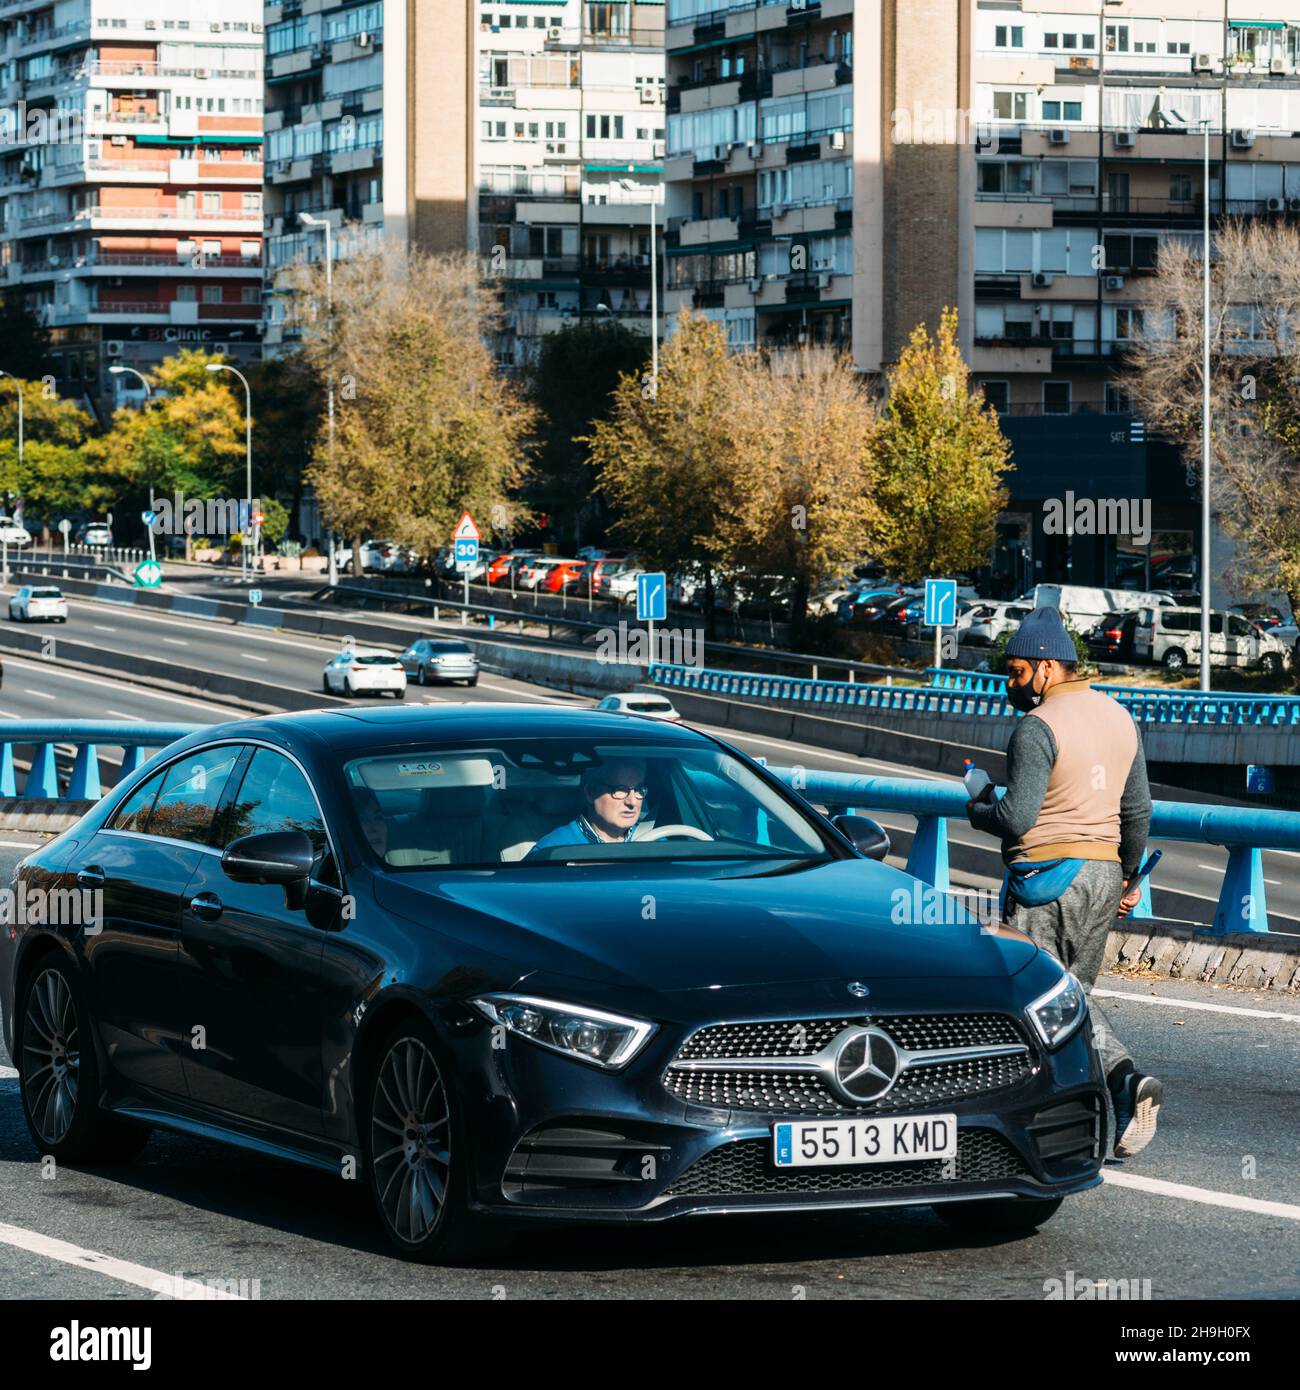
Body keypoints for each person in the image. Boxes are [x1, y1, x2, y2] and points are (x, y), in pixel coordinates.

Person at [965, 606, 1161, 1159]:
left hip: (1047, 876)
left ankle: (1116, 1081)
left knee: (1035, 997)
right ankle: (1104, 1109)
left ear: (1048, 667)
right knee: (1073, 997)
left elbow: (1016, 818)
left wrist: (980, 806)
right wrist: (1127, 876)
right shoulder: (1121, 718)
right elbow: (1139, 810)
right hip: (1101, 874)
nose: (1011, 683)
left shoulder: (1036, 727)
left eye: (1018, 671)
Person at [527, 758, 649, 855]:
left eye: (639, 789)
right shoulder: (551, 850)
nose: (632, 802)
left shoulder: (656, 840)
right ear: (591, 792)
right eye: (620, 789)